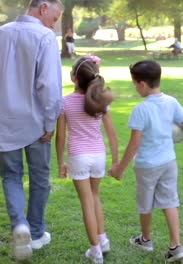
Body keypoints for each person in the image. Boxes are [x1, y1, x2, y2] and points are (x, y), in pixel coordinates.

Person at [0, 0, 64, 261]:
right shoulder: (45, 36)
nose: (55, 21)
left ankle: (19, 225)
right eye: (55, 15)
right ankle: (37, 231)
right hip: (36, 122)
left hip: (3, 120)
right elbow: (49, 86)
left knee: (11, 176)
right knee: (40, 178)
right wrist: (50, 122)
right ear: (43, 7)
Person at [108, 60, 183, 263]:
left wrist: (120, 169)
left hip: (147, 165)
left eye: (134, 83)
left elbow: (134, 144)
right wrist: (177, 133)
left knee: (145, 203)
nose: (134, 87)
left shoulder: (141, 109)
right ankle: (176, 246)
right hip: (168, 161)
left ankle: (146, 240)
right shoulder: (171, 102)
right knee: (170, 201)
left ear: (142, 84)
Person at [56, 54, 118, 264]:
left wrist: (60, 162)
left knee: (86, 203)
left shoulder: (65, 103)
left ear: (74, 77)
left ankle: (95, 250)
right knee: (95, 196)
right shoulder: (100, 101)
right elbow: (111, 134)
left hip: (78, 157)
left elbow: (61, 136)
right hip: (99, 155)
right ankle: (103, 239)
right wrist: (116, 160)